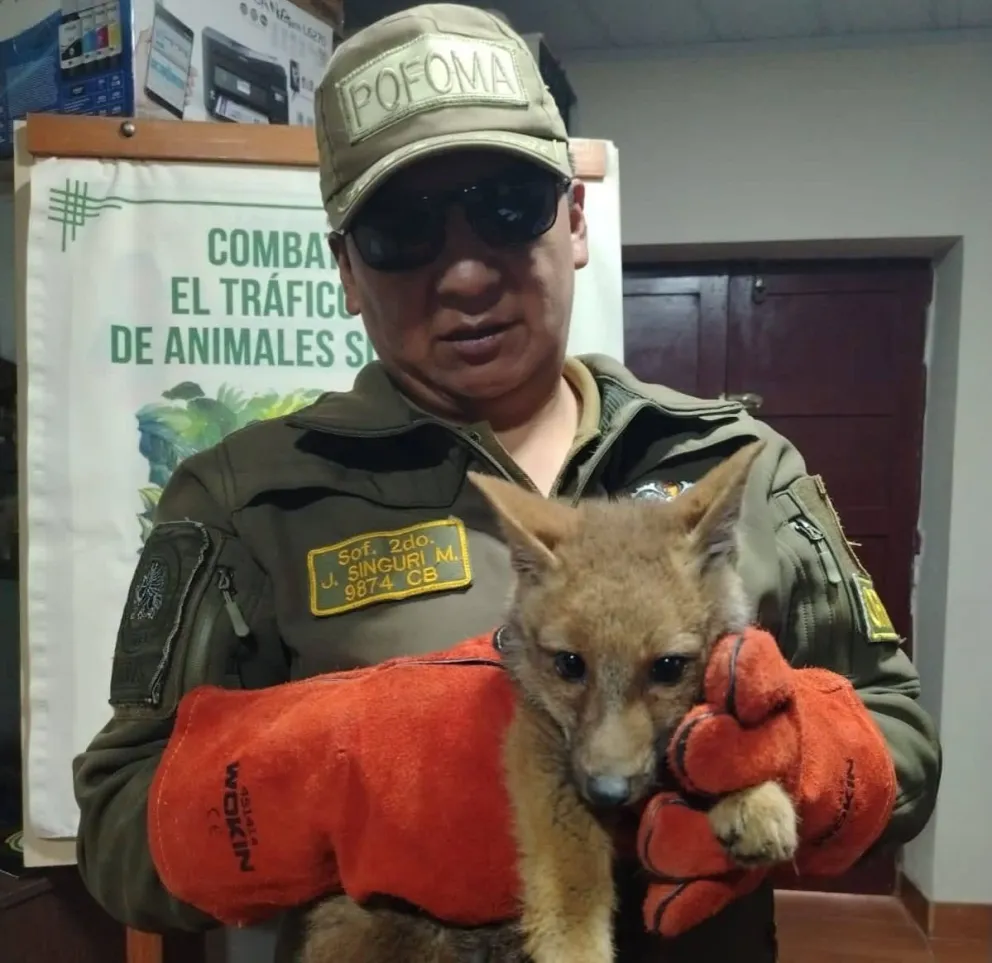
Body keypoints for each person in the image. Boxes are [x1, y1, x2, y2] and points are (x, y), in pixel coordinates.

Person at [72, 4, 941, 962]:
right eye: (402, 229)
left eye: (505, 205)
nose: (468, 272)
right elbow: (118, 837)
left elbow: (901, 744)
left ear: (572, 219)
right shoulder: (246, 502)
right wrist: (342, 775)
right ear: (346, 271)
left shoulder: (737, 469)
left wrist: (805, 759)